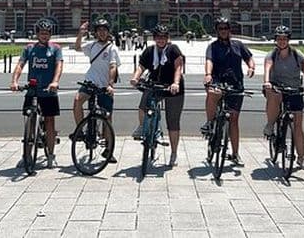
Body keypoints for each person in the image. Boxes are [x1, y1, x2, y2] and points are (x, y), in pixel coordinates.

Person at [201, 17, 255, 166]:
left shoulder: (238, 45)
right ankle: (210, 122)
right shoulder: (213, 47)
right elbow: (209, 61)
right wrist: (208, 74)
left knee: (234, 120)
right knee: (213, 92)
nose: (223, 31)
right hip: (218, 80)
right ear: (217, 31)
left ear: (229, 30)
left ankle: (235, 153)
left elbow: (249, 57)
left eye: (225, 28)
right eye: (220, 29)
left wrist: (251, 67)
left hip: (235, 83)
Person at [130, 24, 185, 167]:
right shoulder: (149, 51)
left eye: (164, 37)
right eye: (158, 37)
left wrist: (176, 83)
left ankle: (173, 153)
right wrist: (135, 78)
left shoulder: (173, 50)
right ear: (154, 38)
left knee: (173, 122)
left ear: (168, 38)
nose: (161, 40)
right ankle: (144, 127)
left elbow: (178, 67)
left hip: (172, 87)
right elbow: (141, 66)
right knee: (143, 106)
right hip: (155, 84)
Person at [10, 18, 63, 168]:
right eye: (42, 33)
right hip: (32, 89)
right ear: (37, 34)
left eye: (47, 33)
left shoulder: (55, 49)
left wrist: (55, 82)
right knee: (30, 121)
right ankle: (26, 155)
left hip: (48, 90)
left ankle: (51, 155)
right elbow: (20, 65)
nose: (44, 36)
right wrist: (14, 81)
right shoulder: (29, 49)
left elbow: (59, 66)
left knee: (50, 121)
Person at [262, 25, 304, 170]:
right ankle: (271, 123)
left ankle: (301, 157)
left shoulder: (297, 55)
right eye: (279, 39)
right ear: (276, 40)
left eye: (284, 39)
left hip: (294, 88)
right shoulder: (272, 55)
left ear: (288, 40)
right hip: (276, 86)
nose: (282, 41)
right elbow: (267, 67)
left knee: (298, 125)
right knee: (274, 94)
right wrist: (266, 81)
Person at [73, 18, 121, 163]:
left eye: (104, 30)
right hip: (90, 81)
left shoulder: (112, 48)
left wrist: (110, 84)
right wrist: (80, 34)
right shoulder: (92, 45)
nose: (102, 33)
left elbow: (113, 67)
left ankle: (109, 149)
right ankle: (80, 131)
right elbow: (77, 47)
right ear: (95, 32)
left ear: (108, 32)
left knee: (107, 117)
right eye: (99, 30)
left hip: (104, 85)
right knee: (77, 101)